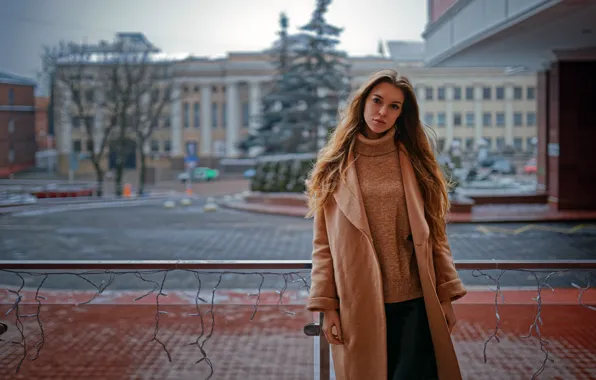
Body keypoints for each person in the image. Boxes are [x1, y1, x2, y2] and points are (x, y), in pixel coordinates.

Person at [305, 69, 467, 380]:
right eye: (377, 100)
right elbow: (324, 246)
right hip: (359, 304)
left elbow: (436, 236)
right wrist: (327, 307)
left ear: (402, 114)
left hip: (415, 304)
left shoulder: (416, 162)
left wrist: (445, 297)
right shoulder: (334, 166)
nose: (382, 112)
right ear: (362, 102)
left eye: (394, 106)